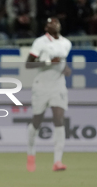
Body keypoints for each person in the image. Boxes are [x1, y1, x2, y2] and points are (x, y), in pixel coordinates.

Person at [25, 17, 71, 172]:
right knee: (37, 120)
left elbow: (62, 61)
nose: (55, 25)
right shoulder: (40, 42)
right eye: (51, 23)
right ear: (46, 27)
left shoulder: (66, 43)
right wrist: (49, 63)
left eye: (57, 22)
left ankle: (57, 161)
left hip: (58, 85)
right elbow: (28, 63)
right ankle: (31, 154)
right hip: (41, 86)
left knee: (59, 119)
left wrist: (65, 68)